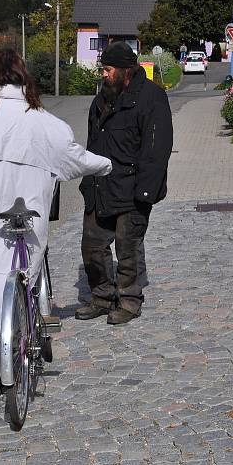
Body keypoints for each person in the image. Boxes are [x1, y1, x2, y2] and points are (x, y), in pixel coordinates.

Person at [0, 48, 111, 403]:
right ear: (23, 77)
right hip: (21, 218)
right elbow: (74, 158)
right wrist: (107, 165)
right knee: (7, 286)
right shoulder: (42, 121)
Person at [75, 41, 173, 325]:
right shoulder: (102, 98)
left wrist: (146, 192)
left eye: (107, 69)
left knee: (127, 248)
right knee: (92, 246)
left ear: (125, 71)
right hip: (100, 185)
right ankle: (102, 297)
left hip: (132, 188)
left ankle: (129, 300)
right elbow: (92, 143)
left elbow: (158, 148)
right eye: (102, 69)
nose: (103, 74)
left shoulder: (152, 97)